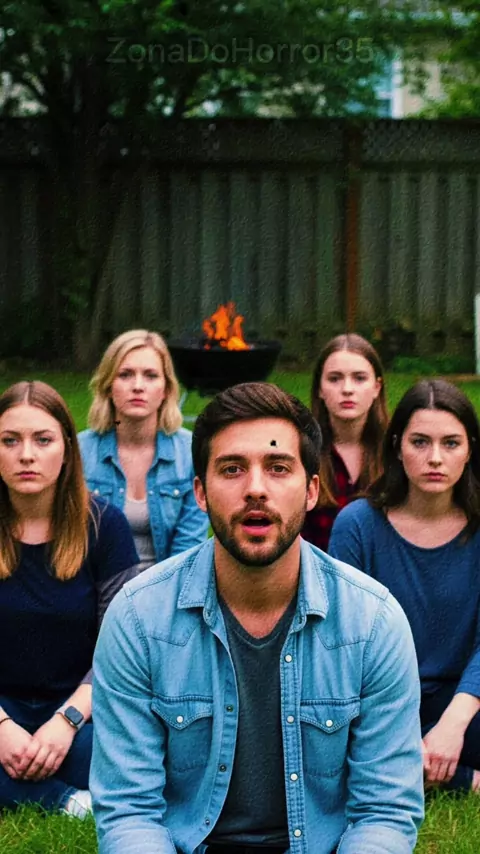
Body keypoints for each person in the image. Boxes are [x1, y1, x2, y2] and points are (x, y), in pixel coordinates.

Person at [90, 381, 424, 854]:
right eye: (232, 469)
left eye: (278, 467)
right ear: (201, 493)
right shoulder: (138, 618)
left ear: (311, 491)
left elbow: (384, 813)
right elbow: (129, 811)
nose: (255, 489)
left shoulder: (372, 623)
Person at [329, 378, 480, 793]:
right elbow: (343, 641)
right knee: (325, 735)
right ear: (397, 446)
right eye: (420, 442)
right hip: (380, 698)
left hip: (464, 700)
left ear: (470, 450)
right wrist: (396, 726)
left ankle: (419, 767)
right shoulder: (357, 526)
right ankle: (462, 779)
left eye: (451, 443)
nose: (435, 458)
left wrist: (452, 725)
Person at [0, 380, 139, 817]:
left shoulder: (105, 526)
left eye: (43, 440)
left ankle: (28, 787)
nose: (26, 455)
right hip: (1, 708)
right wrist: (2, 728)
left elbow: (122, 647)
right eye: (9, 441)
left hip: (82, 709)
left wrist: (66, 722)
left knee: (141, 751)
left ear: (67, 450)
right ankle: (70, 802)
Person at [79, 329, 209, 572]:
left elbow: (187, 552)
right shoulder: (79, 452)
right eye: (125, 374)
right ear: (108, 386)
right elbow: (71, 546)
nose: (138, 386)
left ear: (166, 389)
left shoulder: (191, 452)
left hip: (169, 584)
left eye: (150, 376)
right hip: (96, 585)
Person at [301, 333, 387, 552]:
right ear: (320, 389)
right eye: (335, 378)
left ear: (376, 387)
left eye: (359, 378)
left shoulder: (397, 452)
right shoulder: (300, 452)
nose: (347, 389)